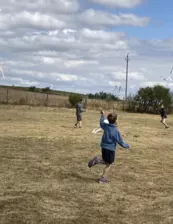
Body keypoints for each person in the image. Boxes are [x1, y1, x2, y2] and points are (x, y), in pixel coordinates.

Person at [88, 110, 129, 184]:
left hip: (103, 147)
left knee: (106, 161)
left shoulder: (106, 126)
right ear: (115, 120)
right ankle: (102, 179)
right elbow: (120, 142)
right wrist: (127, 145)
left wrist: (102, 115)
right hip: (110, 149)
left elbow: (101, 123)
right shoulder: (116, 131)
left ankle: (98, 161)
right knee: (109, 164)